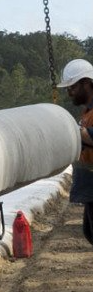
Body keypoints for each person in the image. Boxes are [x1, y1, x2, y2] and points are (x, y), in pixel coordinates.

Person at [57, 58, 93, 247]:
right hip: (89, 188)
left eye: (72, 87)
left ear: (86, 83)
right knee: (89, 232)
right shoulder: (87, 112)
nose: (69, 92)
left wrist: (71, 129)